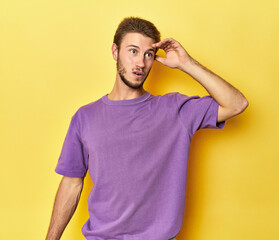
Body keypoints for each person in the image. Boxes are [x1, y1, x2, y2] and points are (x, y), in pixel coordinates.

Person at [45, 16, 248, 240]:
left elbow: (236, 104)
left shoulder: (174, 110)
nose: (140, 63)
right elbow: (72, 183)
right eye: (133, 51)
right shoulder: (85, 117)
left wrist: (186, 63)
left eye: (148, 54)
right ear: (115, 52)